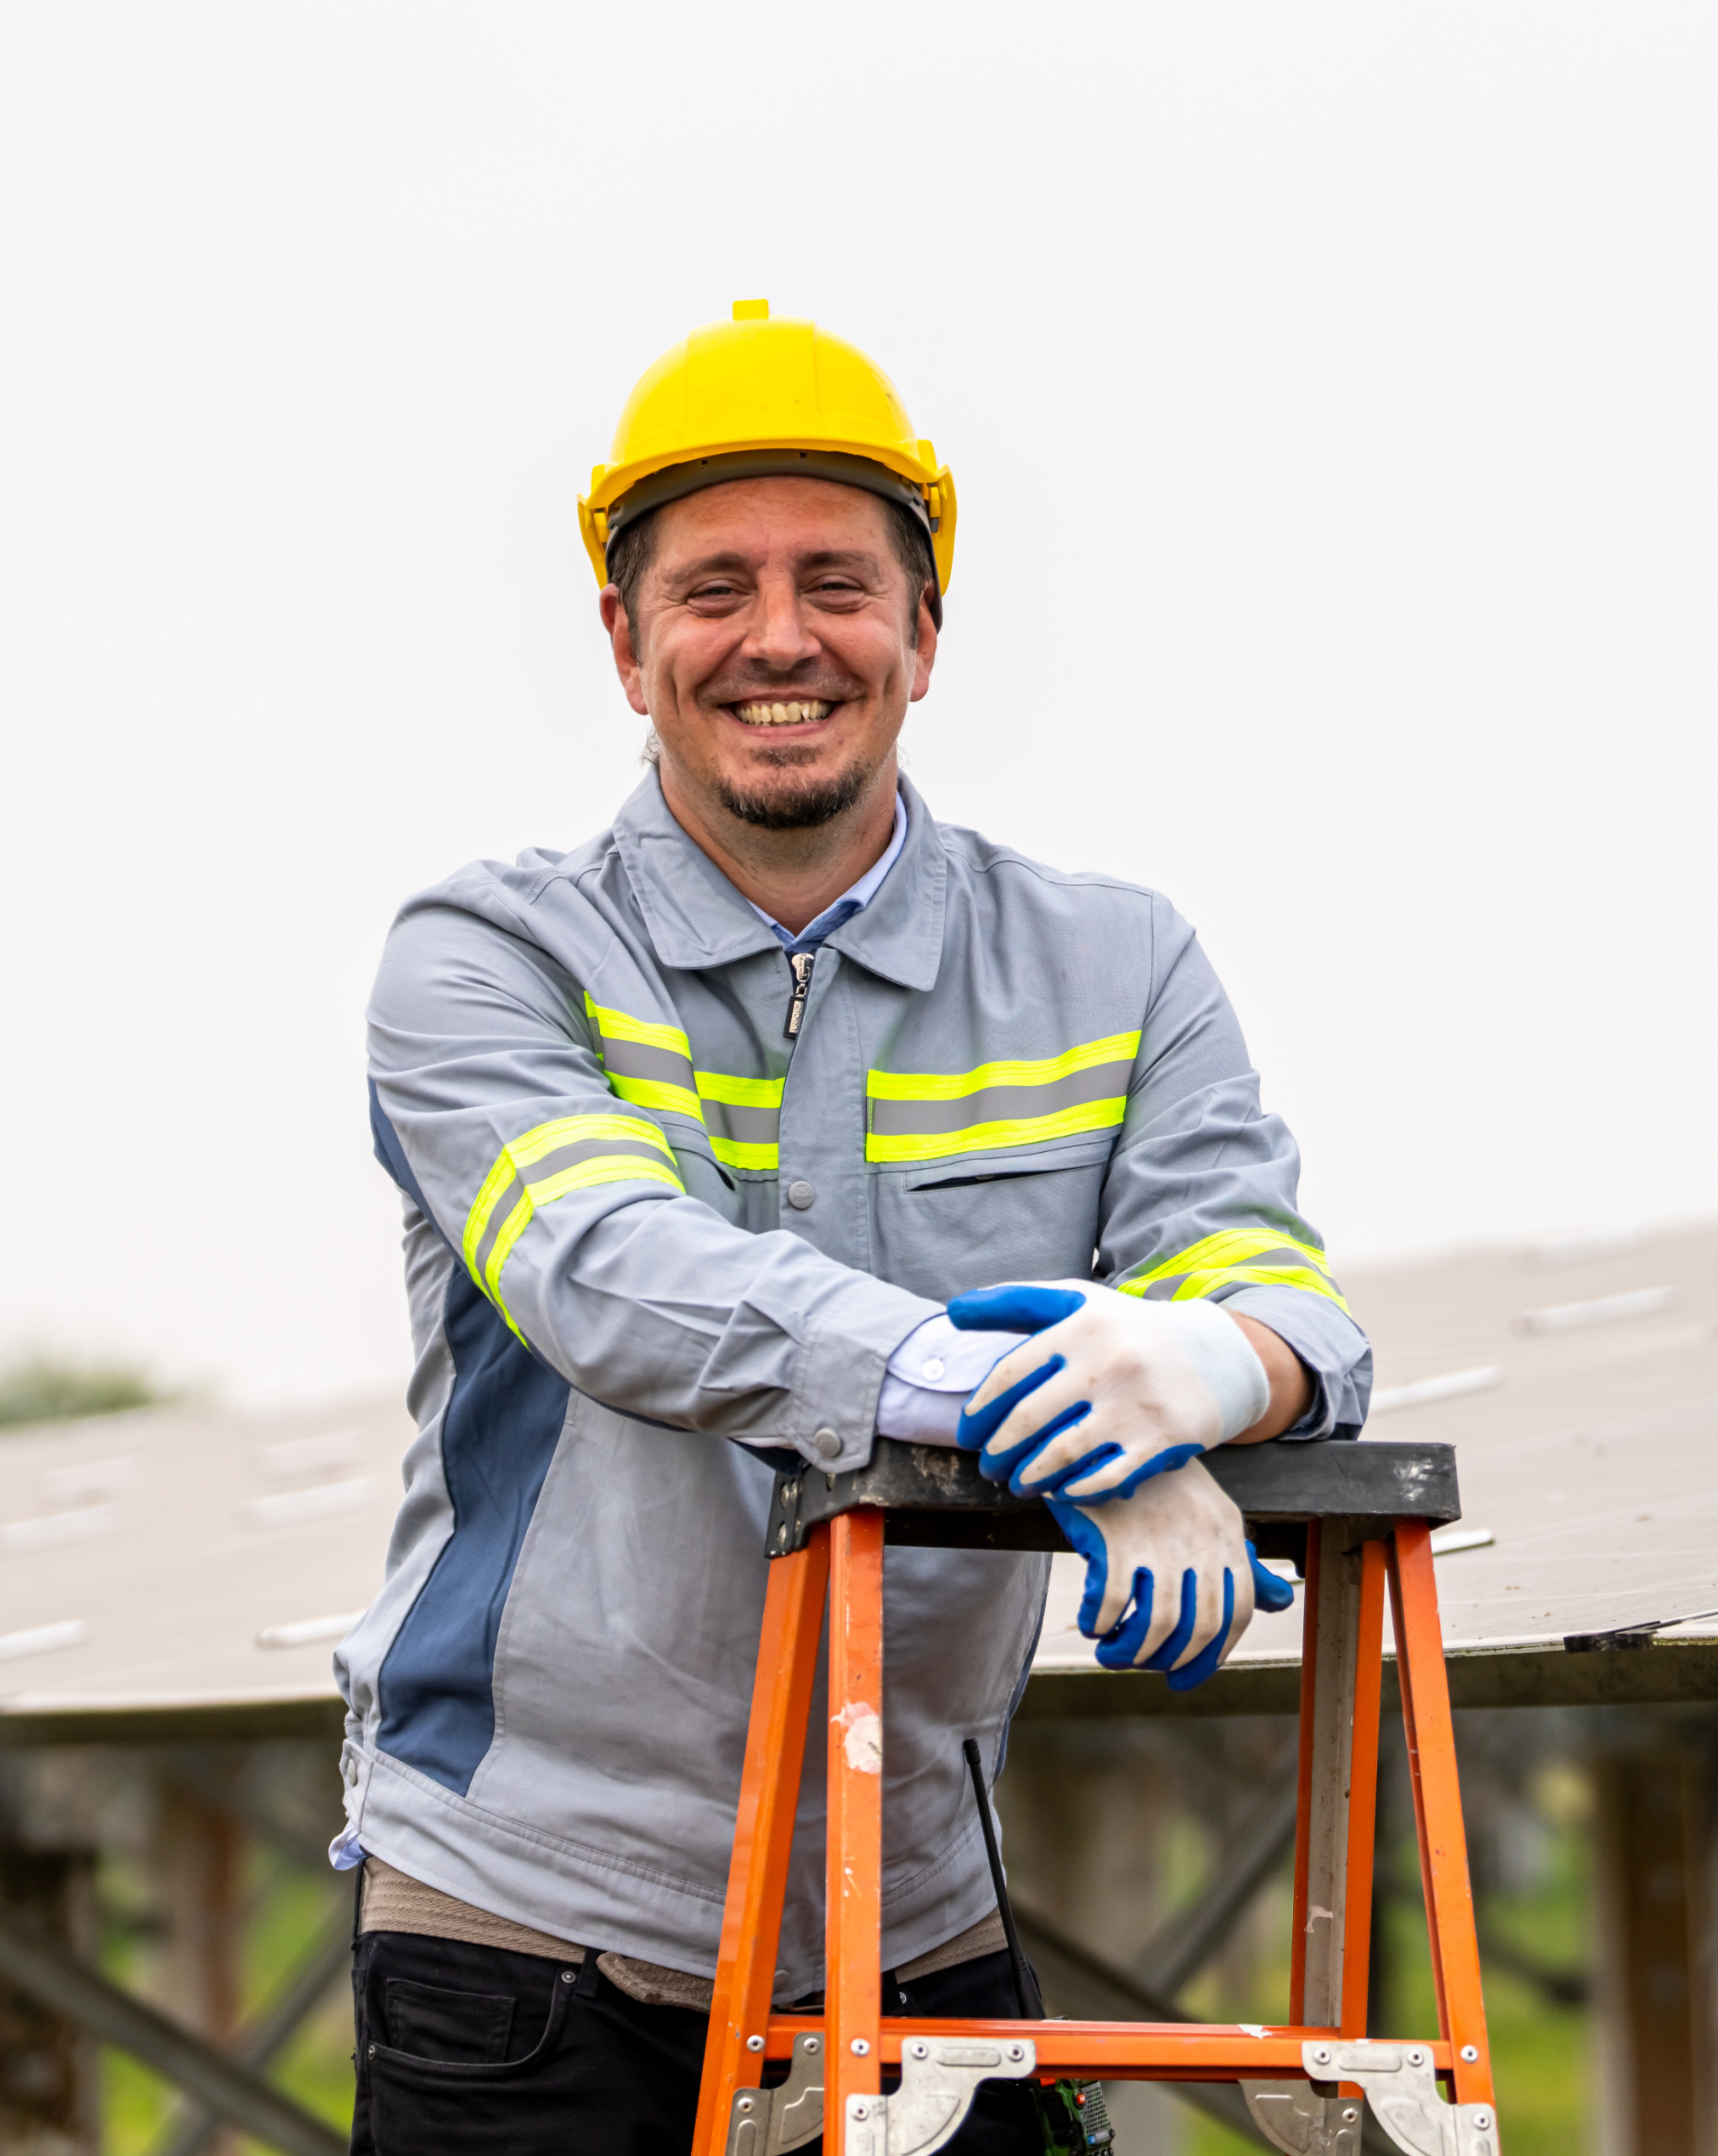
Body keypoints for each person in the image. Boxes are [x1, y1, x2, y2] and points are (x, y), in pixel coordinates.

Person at [334, 302, 1371, 2153]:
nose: (779, 637)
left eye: (837, 580)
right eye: (713, 585)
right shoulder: (486, 960)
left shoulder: (1115, 967)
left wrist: (1207, 1370)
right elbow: (612, 1274)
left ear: (924, 632)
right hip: (531, 1936)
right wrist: (1021, 1414)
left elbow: (1269, 1274)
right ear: (622, 641)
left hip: (914, 1939)